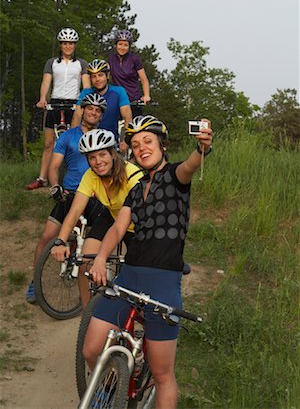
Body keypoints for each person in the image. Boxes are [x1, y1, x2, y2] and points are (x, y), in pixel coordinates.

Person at [83, 115, 212, 409]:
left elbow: (192, 163)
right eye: (136, 144)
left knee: (163, 374)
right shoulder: (135, 187)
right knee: (91, 349)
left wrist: (203, 147)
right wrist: (101, 258)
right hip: (128, 277)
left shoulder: (176, 176)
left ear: (162, 145)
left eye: (148, 142)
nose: (142, 148)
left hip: (163, 281)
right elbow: (117, 229)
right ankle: (110, 393)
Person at [25, 93, 106, 303]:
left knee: (93, 242)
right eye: (90, 108)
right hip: (69, 193)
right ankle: (35, 282)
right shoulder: (68, 137)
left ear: (100, 115)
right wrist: (55, 186)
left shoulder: (105, 138)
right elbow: (54, 166)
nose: (93, 112)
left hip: (95, 196)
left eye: (98, 110)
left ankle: (90, 282)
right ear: (83, 110)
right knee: (47, 236)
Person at [50, 128, 144, 307]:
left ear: (113, 153)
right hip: (111, 215)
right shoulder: (90, 176)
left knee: (137, 275)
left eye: (102, 155)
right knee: (86, 262)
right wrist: (60, 241)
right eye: (92, 158)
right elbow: (75, 211)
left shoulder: (133, 175)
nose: (98, 162)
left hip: (136, 224)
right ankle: (87, 311)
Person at [26, 27, 90, 190]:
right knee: (48, 143)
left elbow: (87, 85)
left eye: (71, 43)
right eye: (65, 43)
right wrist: (42, 99)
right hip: (54, 103)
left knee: (75, 143)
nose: (68, 46)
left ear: (75, 45)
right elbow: (46, 82)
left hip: (74, 104)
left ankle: (77, 178)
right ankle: (42, 178)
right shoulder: (52, 62)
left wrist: (83, 102)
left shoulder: (81, 63)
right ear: (60, 45)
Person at [72, 59, 132, 154]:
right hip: (88, 141)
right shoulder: (86, 93)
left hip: (111, 142)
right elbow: (77, 117)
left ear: (107, 76)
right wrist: (73, 139)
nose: (97, 79)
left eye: (100, 75)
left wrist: (124, 140)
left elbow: (127, 118)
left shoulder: (119, 92)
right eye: (93, 76)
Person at [108, 29, 151, 117]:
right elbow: (105, 78)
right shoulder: (111, 59)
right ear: (115, 45)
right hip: (117, 100)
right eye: (120, 44)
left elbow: (144, 79)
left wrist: (146, 95)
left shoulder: (134, 59)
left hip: (133, 100)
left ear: (129, 46)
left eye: (125, 45)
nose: (122, 47)